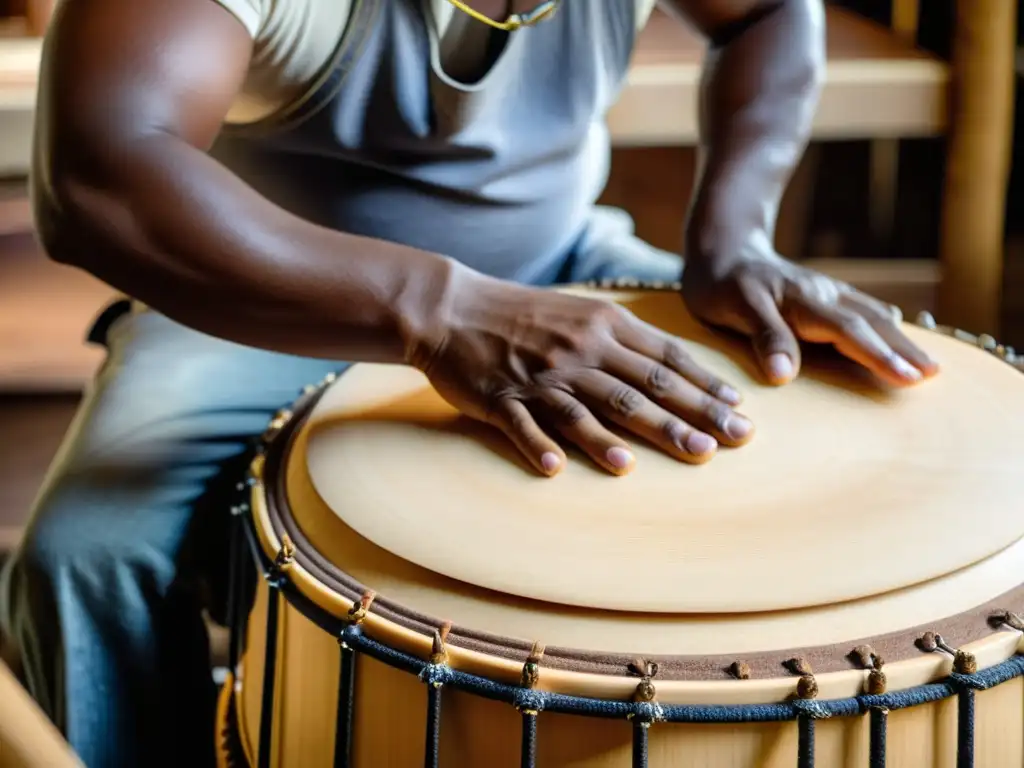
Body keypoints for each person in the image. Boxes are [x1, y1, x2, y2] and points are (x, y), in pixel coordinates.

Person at [0, 0, 938, 765]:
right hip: (271, 293)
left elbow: (768, 12)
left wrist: (733, 236)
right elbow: (99, 175)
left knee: (787, 463)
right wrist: (442, 311)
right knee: (86, 557)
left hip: (563, 262)